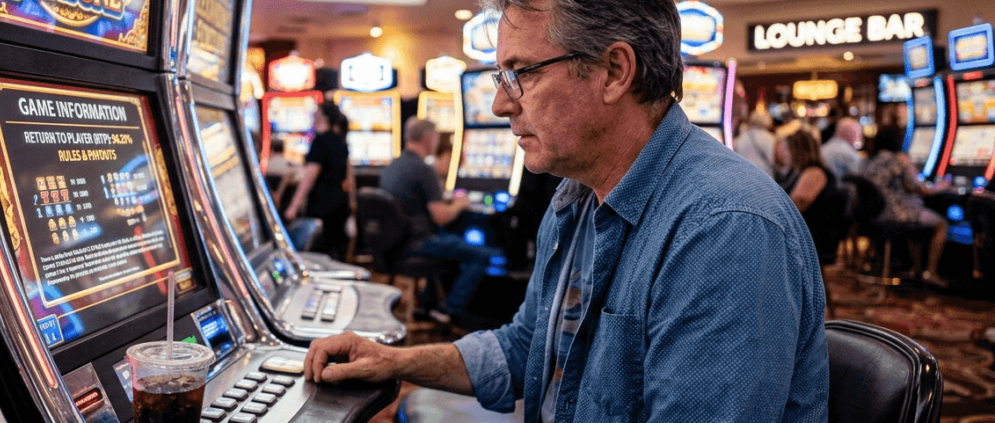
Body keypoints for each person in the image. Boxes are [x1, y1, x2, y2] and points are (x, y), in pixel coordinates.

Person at [306, 1, 829, 421]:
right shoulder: (573, 199)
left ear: (613, 71)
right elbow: (528, 347)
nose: (499, 105)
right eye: (500, 77)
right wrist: (397, 362)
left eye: (521, 73)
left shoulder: (724, 230)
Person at [379, 117, 501, 318]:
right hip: (417, 244)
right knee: (484, 254)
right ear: (428, 138)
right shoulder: (423, 169)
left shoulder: (394, 165)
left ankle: (431, 304)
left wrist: (447, 198)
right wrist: (460, 204)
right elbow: (441, 217)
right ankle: (451, 310)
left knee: (453, 242)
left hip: (393, 245)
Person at [861, 126, 948, 287]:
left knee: (916, 213)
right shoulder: (898, 160)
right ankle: (930, 271)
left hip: (870, 216)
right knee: (941, 223)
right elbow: (921, 188)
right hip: (896, 214)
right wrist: (943, 186)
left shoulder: (867, 160)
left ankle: (915, 269)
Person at [285, 101, 354, 261]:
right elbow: (350, 175)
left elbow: (310, 176)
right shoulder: (340, 140)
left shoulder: (320, 141)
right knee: (335, 253)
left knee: (318, 253)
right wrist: (352, 202)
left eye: (316, 111)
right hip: (340, 203)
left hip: (322, 203)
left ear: (323, 116)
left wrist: (293, 206)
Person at [784, 130, 847, 265]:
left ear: (798, 151)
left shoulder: (814, 173)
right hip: (811, 232)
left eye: (788, 149)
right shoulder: (805, 171)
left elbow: (795, 207)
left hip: (815, 237)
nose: (786, 154)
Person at [733, 110, 777, 178]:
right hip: (765, 178)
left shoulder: (741, 138)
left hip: (744, 176)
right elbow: (773, 161)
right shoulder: (770, 138)